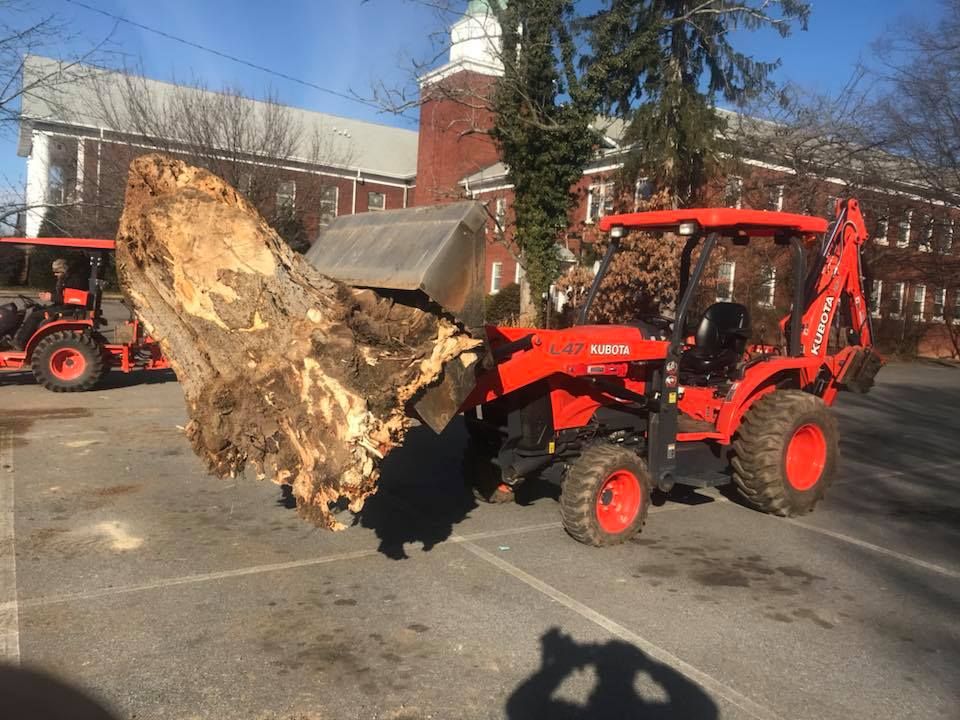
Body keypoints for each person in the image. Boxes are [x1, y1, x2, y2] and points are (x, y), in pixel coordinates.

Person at [12, 258, 87, 349]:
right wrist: (48, 293)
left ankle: (20, 342)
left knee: (34, 316)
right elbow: (59, 293)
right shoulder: (65, 279)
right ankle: (26, 339)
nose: (55, 275)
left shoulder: (74, 281)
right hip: (62, 306)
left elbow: (71, 299)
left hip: (68, 309)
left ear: (64, 269)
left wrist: (51, 297)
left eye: (57, 272)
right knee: (36, 309)